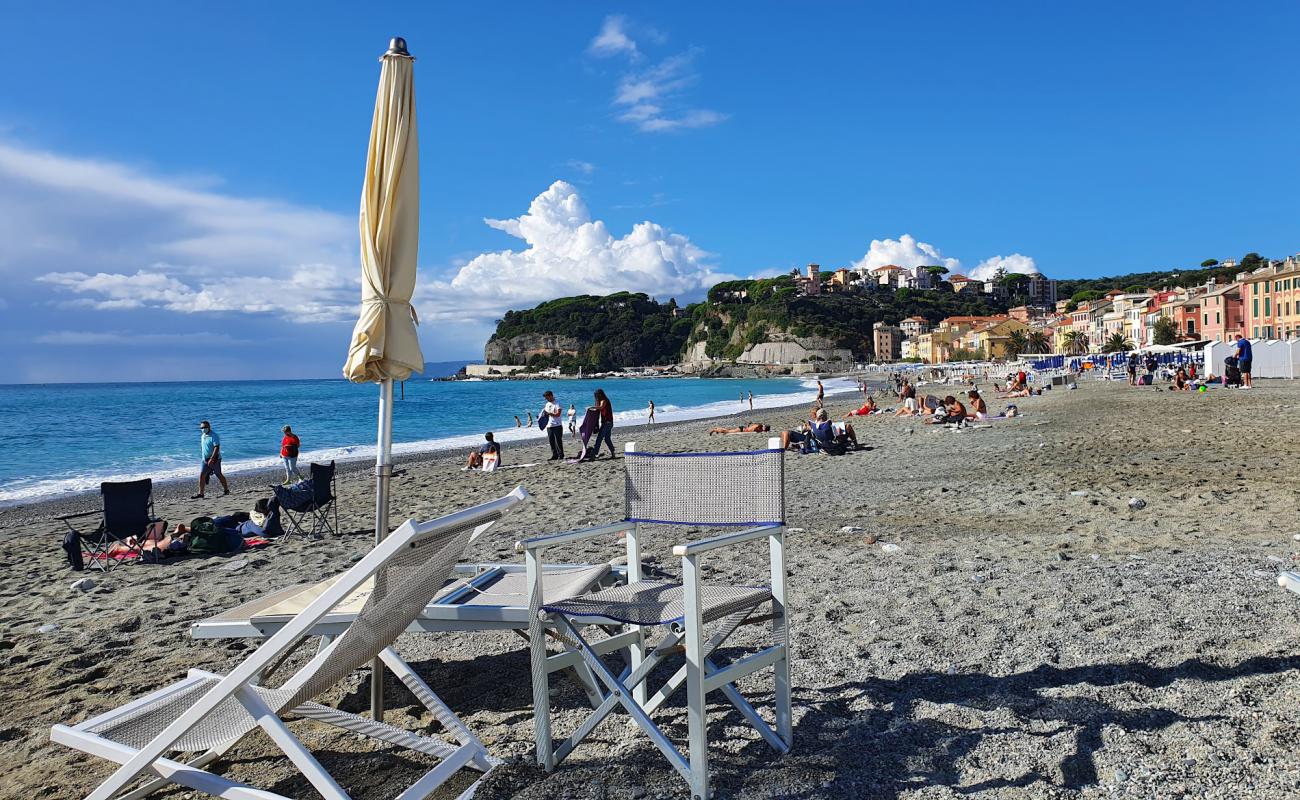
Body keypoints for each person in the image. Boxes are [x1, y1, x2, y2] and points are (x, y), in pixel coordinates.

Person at [192, 420, 229, 499]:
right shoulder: (203, 436)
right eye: (201, 428)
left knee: (218, 474)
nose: (203, 429)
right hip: (205, 459)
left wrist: (212, 458)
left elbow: (217, 447)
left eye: (205, 427)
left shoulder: (214, 435)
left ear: (209, 427)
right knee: (202, 475)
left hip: (215, 459)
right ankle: (201, 493)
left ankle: (226, 490)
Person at [591, 388, 616, 458]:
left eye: (596, 396)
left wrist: (591, 407)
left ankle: (594, 453)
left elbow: (601, 407)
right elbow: (598, 408)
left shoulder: (604, 400)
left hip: (607, 423)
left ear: (599, 395)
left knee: (599, 438)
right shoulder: (604, 400)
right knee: (607, 439)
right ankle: (613, 453)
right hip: (608, 423)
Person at [541, 390, 565, 461]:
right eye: (545, 398)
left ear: (551, 396)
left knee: (558, 441)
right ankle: (554, 455)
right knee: (551, 441)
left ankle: (561, 455)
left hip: (557, 425)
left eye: (547, 397)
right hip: (549, 425)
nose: (546, 399)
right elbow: (545, 413)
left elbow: (558, 414)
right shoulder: (547, 404)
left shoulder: (558, 403)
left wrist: (550, 414)